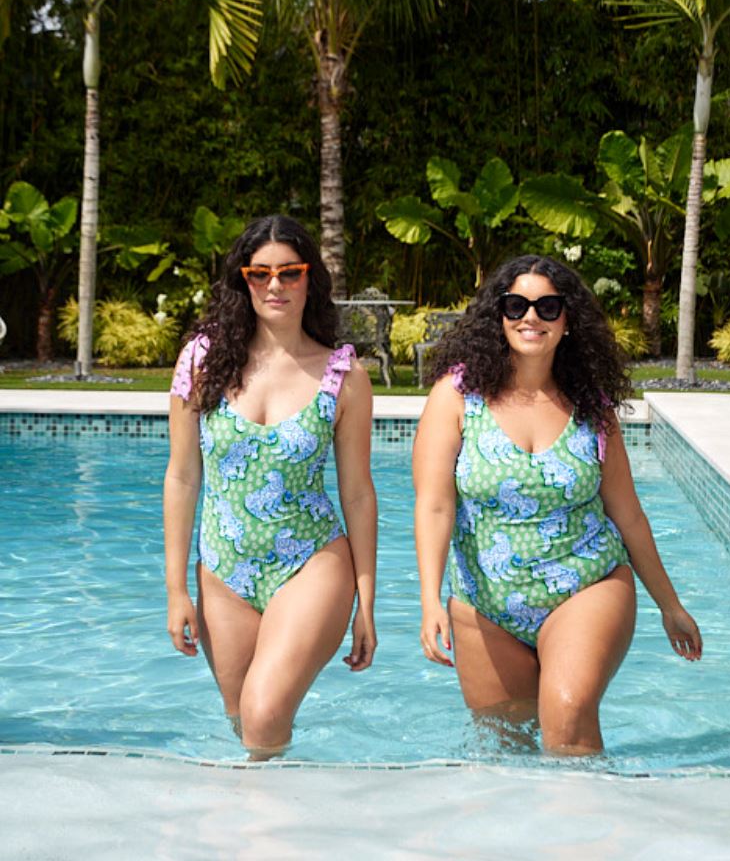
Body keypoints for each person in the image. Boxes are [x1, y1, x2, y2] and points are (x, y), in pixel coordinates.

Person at [413, 254, 701, 755]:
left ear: (568, 321)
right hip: (484, 605)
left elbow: (627, 513)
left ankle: (589, 831)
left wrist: (669, 605)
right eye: (516, 305)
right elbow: (434, 506)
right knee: (506, 749)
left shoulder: (591, 408)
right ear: (497, 316)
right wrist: (430, 601)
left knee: (566, 717)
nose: (530, 317)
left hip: (585, 585)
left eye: (548, 307)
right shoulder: (457, 397)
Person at [164, 215, 377, 758]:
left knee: (262, 714)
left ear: (311, 280)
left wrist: (367, 601)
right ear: (244, 281)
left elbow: (357, 492)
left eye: (289, 272)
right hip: (223, 569)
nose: (275, 285)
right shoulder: (201, 360)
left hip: (311, 561)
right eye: (260, 274)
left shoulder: (342, 373)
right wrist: (175, 591)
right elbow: (183, 476)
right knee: (249, 731)